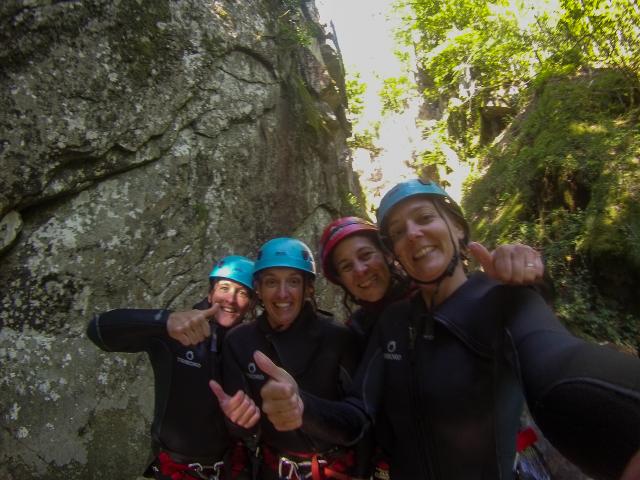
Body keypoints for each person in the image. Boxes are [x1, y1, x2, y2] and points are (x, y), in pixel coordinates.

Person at [256, 179, 640, 480]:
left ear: (457, 228)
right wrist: (302, 408)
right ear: (397, 253)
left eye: (424, 218)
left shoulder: (505, 300)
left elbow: (560, 366)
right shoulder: (392, 323)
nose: (414, 235)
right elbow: (359, 415)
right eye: (399, 232)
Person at [318, 216, 545, 478]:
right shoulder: (357, 330)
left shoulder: (439, 298)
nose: (360, 270)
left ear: (388, 255)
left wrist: (527, 269)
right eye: (346, 266)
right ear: (341, 281)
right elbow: (362, 408)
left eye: (367, 255)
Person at [87, 255, 256, 480]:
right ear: (210, 293)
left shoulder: (247, 347)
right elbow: (98, 331)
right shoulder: (176, 331)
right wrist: (163, 320)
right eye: (224, 288)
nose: (232, 299)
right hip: (176, 469)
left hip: (232, 467)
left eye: (243, 293)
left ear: (251, 304)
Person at [209, 237, 364, 480]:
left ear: (308, 288)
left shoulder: (337, 338)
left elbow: (357, 423)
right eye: (271, 282)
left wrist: (303, 408)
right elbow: (243, 429)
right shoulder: (240, 341)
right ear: (258, 288)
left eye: (293, 281)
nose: (283, 293)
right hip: (272, 470)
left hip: (332, 470)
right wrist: (238, 420)